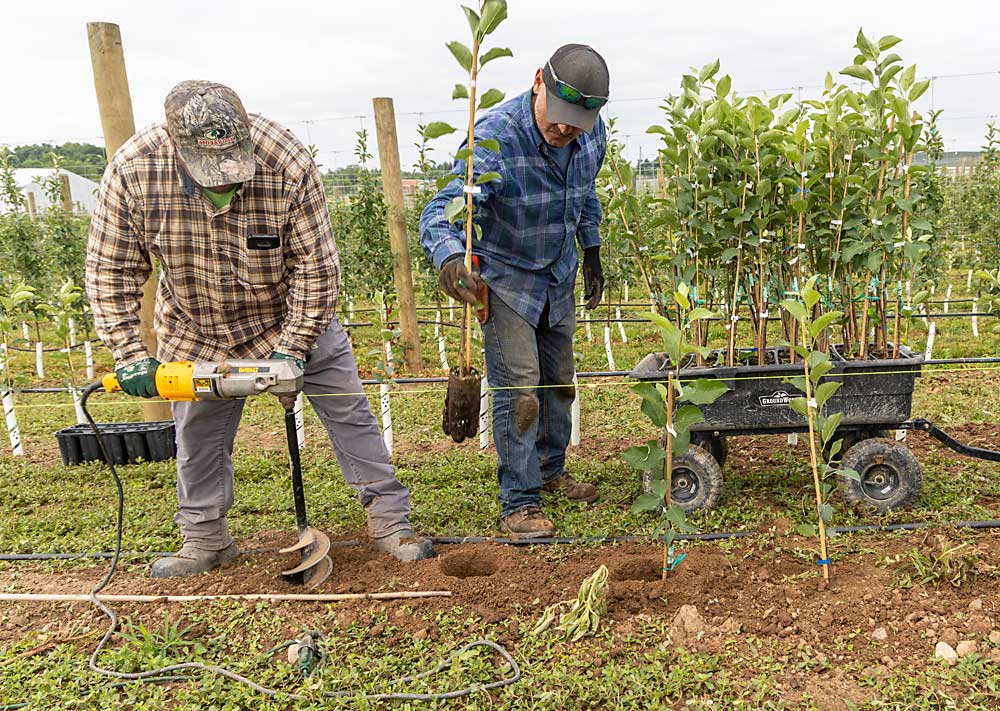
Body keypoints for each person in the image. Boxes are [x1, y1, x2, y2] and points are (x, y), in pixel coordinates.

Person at [86, 80, 434, 577]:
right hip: (196, 326)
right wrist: (129, 352)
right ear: (175, 144)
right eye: (212, 173)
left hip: (290, 316)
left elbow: (318, 268)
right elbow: (110, 270)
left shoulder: (286, 160)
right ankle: (205, 540)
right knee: (198, 436)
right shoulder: (133, 171)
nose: (226, 182)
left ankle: (390, 523)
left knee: (348, 411)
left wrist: (293, 349)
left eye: (234, 165)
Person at [420, 45, 609, 538]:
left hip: (556, 275)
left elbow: (585, 193)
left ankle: (550, 471)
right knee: (520, 389)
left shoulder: (591, 137)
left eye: (578, 122)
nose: (565, 130)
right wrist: (449, 259)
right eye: (561, 117)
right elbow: (439, 212)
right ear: (537, 82)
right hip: (503, 282)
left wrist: (590, 248)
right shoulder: (494, 139)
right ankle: (519, 502)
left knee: (559, 382)